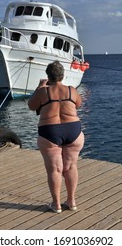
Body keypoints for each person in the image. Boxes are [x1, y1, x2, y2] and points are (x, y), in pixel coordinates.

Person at [28, 61, 84, 213]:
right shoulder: (72, 90)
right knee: (71, 166)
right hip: (73, 129)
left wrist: (40, 87)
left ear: (48, 76)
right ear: (63, 75)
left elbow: (31, 106)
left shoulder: (43, 91)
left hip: (50, 130)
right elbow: (78, 104)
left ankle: (56, 204)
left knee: (54, 170)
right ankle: (71, 202)